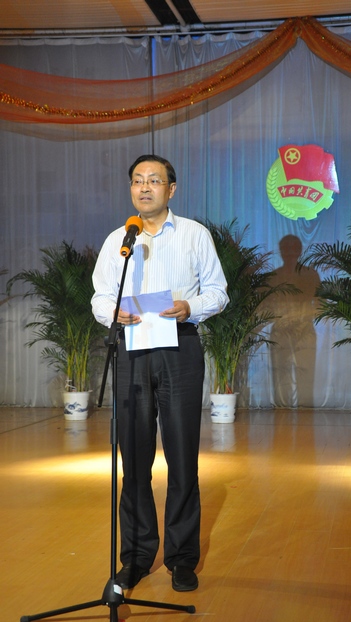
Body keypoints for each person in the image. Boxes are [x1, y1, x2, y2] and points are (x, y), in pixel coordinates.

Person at [91, 154, 228, 592]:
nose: (144, 187)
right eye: (137, 180)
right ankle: (135, 557)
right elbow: (100, 296)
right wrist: (112, 313)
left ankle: (182, 559)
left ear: (172, 189)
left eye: (154, 180)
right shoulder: (119, 240)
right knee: (133, 461)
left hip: (179, 346)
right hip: (131, 348)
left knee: (182, 457)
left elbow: (218, 291)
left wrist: (191, 306)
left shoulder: (194, 234)